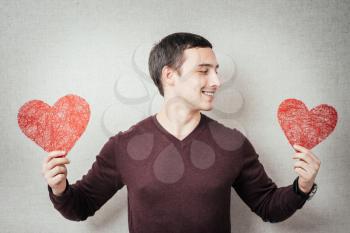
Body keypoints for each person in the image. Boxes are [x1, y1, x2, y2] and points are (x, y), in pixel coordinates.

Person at [42, 32, 320, 233]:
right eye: (204, 71)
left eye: (216, 71)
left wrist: (302, 186)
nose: (216, 81)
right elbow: (80, 207)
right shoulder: (123, 146)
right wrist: (59, 188)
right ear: (169, 75)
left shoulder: (233, 144)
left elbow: (268, 207)